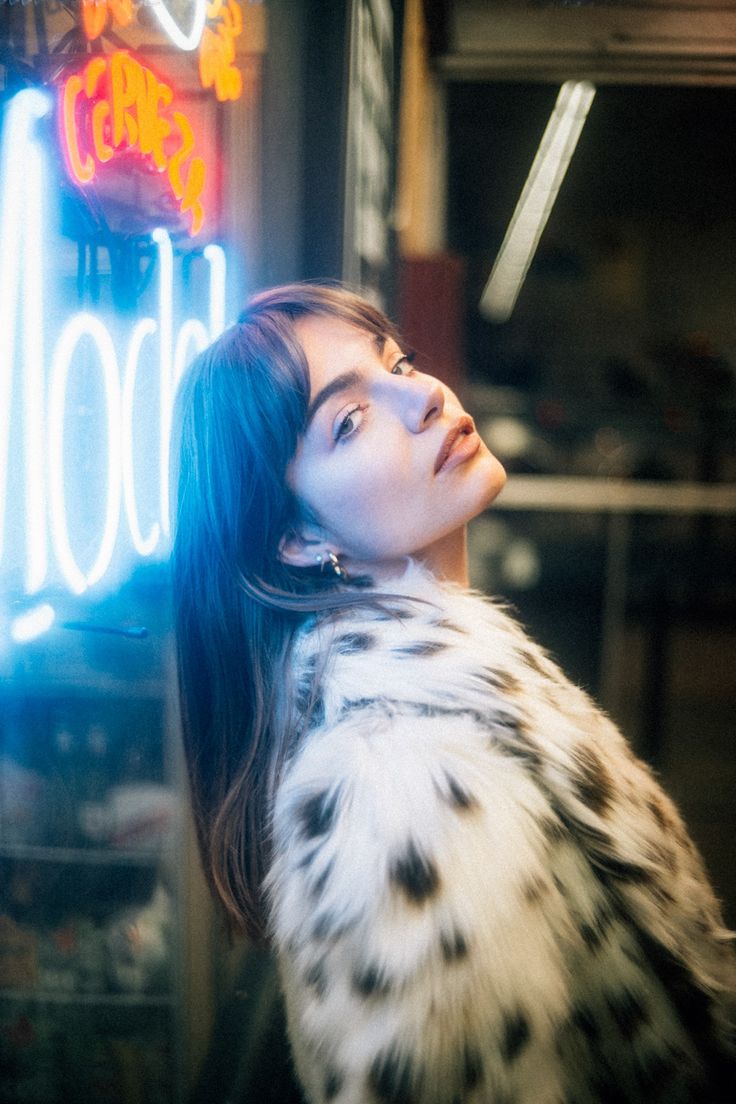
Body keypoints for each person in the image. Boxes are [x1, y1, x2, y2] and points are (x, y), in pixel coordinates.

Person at [172, 283, 735, 1104]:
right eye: (349, 421)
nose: (424, 393)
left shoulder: (460, 689)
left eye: (397, 361)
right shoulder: (402, 786)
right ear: (299, 538)